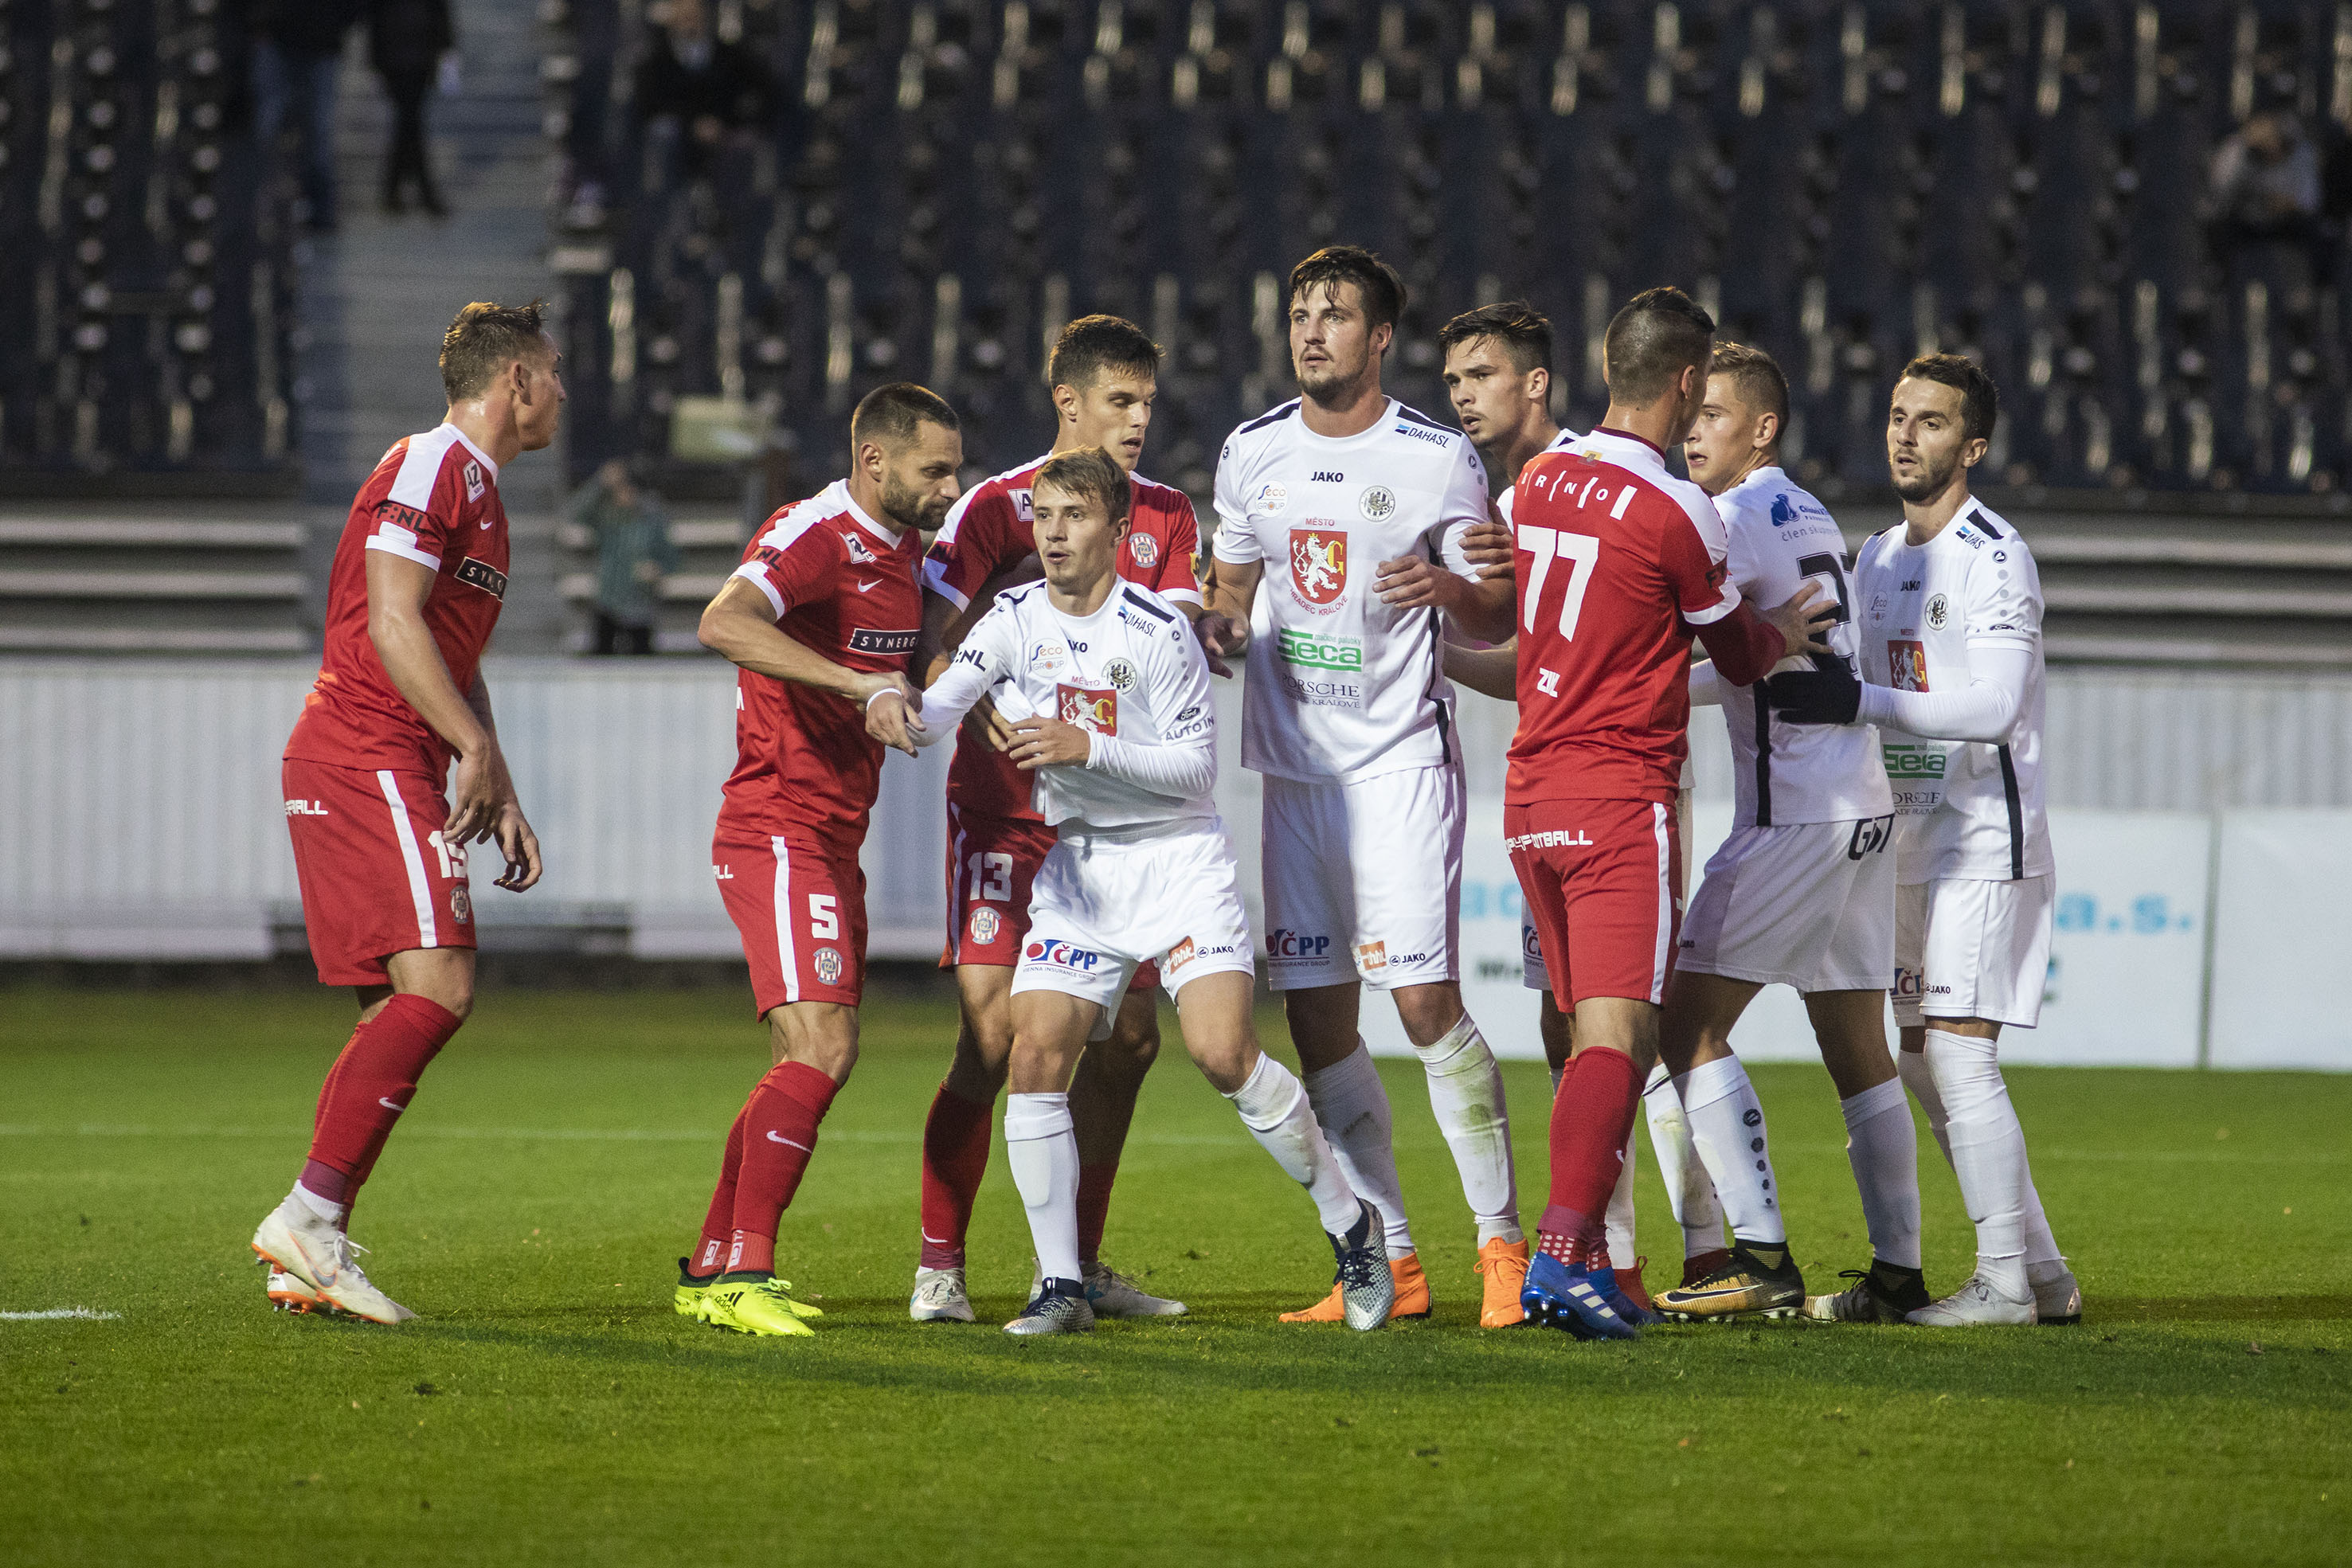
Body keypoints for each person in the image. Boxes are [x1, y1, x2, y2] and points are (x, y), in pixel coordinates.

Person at [910, 449, 1392, 1335]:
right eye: (1043, 516)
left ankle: (1352, 1225)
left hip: (1178, 864)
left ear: (1118, 531)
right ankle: (1060, 1285)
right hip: (1082, 871)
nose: (1054, 534)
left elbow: (1195, 769)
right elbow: (939, 707)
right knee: (1034, 1055)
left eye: (1074, 516)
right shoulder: (1013, 618)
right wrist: (888, 702)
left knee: (1221, 1052)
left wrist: (1084, 746)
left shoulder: (1158, 630)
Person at [1451, 286, 1832, 1341]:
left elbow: (1511, 617)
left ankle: (1589, 1262)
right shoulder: (1679, 510)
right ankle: (1561, 1258)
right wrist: (1785, 631)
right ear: (1687, 381)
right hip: (1620, 795)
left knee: (1584, 1033)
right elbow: (1737, 655)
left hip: (1530, 794)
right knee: (1623, 1035)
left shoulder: (1537, 482)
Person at [1201, 246, 1528, 1329]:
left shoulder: (1436, 459)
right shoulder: (1250, 450)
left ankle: (1501, 1243)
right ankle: (1389, 1259)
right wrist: (1217, 626)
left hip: (1397, 763)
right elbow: (1230, 589)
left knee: (1424, 1003)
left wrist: (1447, 589)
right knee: (1318, 1022)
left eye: (1334, 314)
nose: (1311, 329)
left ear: (1379, 337)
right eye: (1301, 311)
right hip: (1294, 773)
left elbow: (1497, 611)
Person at [252, 300, 565, 1322]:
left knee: (394, 1008)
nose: (563, 392)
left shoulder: (482, 494)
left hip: (380, 755)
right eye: (554, 372)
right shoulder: (433, 463)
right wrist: (469, 750)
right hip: (367, 751)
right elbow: (392, 622)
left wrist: (495, 775)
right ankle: (308, 1217)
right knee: (440, 988)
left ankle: (310, 1244)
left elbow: (451, 655)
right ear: (516, 380)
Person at [1770, 354, 2082, 1328]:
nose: (1906, 435)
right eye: (1899, 416)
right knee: (1919, 1057)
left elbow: (1994, 706)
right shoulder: (1873, 557)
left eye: (1932, 422)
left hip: (1984, 836)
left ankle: (2002, 1284)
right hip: (1909, 842)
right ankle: (2041, 1274)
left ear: (1971, 446)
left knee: (1956, 1054)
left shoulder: (1995, 554)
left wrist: (1860, 700)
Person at [907, 315, 1203, 1324]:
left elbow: (1172, 645)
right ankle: (940, 1264)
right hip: (1004, 812)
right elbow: (932, 639)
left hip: (1112, 823)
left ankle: (1071, 1265)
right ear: (1068, 403)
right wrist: (979, 708)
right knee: (997, 1039)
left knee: (1128, 1040)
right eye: (1120, 401)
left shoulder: (1166, 513)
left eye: (1147, 403)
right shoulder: (997, 506)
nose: (1138, 420)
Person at [1627, 342, 1918, 1324]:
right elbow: (1755, 659)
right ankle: (1896, 1275)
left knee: (1681, 1025)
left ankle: (1759, 1259)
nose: (1690, 430)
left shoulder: (1726, 518)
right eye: (1689, 413)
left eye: (1711, 414)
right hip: (1861, 804)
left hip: (1790, 812)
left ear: (1762, 428)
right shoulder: (1809, 511)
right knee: (1856, 1043)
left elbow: (1665, 634)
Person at [672, 384, 958, 1337]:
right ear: (874, 460)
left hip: (833, 834)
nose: (948, 488)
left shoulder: (904, 549)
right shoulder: (815, 533)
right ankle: (748, 1272)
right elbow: (722, 622)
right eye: (934, 470)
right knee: (826, 1046)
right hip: (776, 825)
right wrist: (857, 684)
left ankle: (714, 1266)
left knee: (800, 1056)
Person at [1434, 300, 1673, 1316]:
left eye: (1482, 375)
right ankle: (1597, 1255)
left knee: (1630, 1029)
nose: (1463, 396)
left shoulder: (1572, 482)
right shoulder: (1509, 495)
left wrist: (1444, 627)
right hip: (1558, 789)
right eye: (1453, 380)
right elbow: (1534, 667)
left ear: (1536, 382)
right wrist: (1438, 652)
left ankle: (1645, 1252)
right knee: (1567, 1026)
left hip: (1616, 787)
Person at [632, 0, 776, 182]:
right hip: (681, 131)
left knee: (744, 142)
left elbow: (764, 89)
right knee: (663, 131)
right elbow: (650, 102)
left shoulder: (729, 55)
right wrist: (692, 124)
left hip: (724, 128)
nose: (690, 25)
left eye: (695, 17)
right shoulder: (657, 60)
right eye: (685, 18)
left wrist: (726, 123)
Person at [251, 0, 362, 232]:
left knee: (318, 131)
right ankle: (266, 206)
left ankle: (320, 211)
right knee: (269, 124)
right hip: (278, 34)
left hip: (320, 38)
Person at [571, 458, 679, 655]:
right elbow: (577, 513)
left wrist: (657, 569)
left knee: (641, 657)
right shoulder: (606, 518)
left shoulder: (652, 521)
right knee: (601, 656)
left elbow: (671, 557)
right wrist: (599, 483)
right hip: (608, 601)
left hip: (639, 604)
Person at [368, 0, 456, 217]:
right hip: (400, 55)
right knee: (410, 123)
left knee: (408, 123)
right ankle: (421, 192)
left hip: (416, 54)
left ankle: (397, 191)